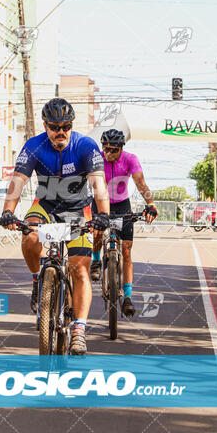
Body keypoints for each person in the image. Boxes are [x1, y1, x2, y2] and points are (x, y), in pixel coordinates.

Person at [0, 98, 110, 355]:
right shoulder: (34, 146)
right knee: (29, 234)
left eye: (66, 126)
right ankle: (38, 278)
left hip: (77, 208)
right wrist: (8, 211)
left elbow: (98, 184)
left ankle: (79, 331)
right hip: (46, 205)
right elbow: (18, 182)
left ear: (72, 126)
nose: (61, 132)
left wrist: (102, 214)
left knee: (80, 268)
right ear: (45, 125)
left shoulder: (85, 145)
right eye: (54, 126)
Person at [90, 129, 158, 318]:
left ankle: (127, 297)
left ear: (122, 148)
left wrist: (150, 204)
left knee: (126, 250)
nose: (109, 154)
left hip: (122, 205)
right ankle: (96, 259)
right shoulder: (97, 158)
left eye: (114, 150)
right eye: (106, 149)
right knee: (96, 232)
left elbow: (140, 183)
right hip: (99, 203)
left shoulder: (130, 159)